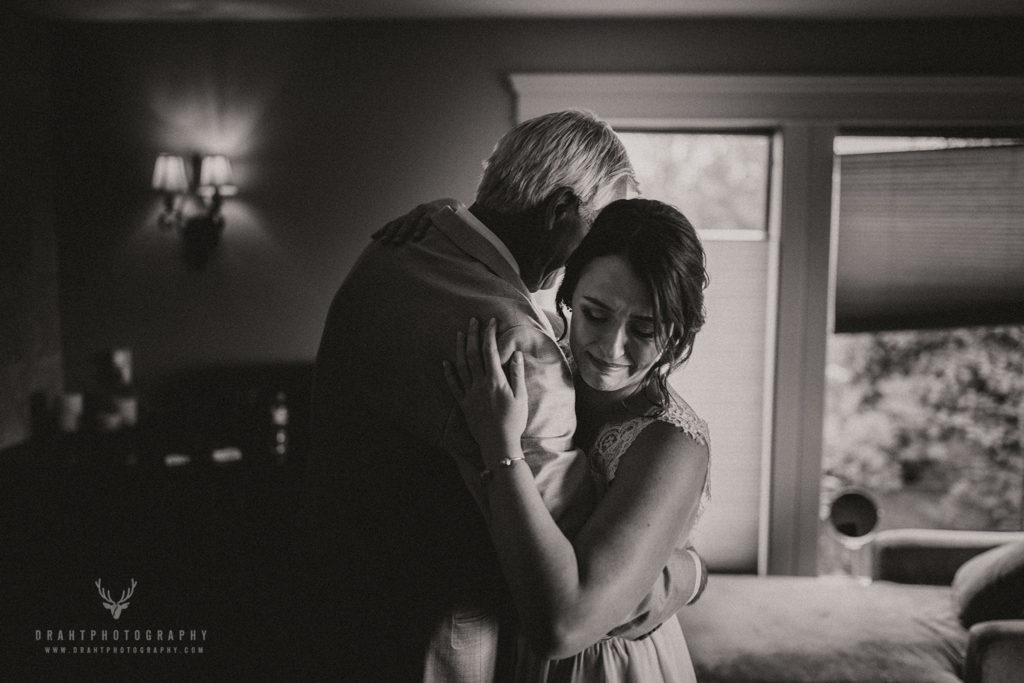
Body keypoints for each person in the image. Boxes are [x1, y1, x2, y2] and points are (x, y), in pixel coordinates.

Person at [302, 111, 705, 681]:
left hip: (337, 599)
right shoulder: (524, 350)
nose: (611, 344)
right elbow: (569, 599)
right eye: (599, 230)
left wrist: (438, 212)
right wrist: (686, 575)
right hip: (444, 642)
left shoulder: (390, 252)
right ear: (561, 211)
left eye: (643, 327)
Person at [443, 198, 710, 682]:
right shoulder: (539, 356)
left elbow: (564, 629)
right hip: (499, 648)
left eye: (644, 328)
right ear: (568, 297)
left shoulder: (671, 445)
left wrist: (502, 449)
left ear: (676, 333)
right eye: (595, 314)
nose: (610, 347)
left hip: (602, 667)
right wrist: (422, 225)